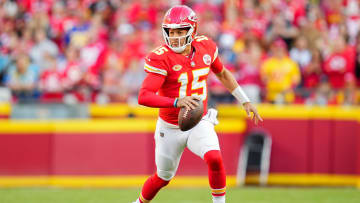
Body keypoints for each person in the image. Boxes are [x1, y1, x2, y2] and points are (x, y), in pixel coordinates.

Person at [133, 5, 262, 203]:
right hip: (169, 126)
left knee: (214, 158)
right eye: (171, 31)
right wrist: (177, 101)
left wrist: (245, 100)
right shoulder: (160, 57)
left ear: (192, 30)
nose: (175, 36)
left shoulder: (206, 46)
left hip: (198, 119)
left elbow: (222, 73)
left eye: (180, 31)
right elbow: (144, 96)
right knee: (162, 177)